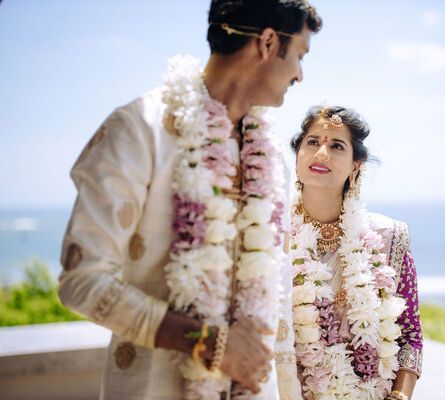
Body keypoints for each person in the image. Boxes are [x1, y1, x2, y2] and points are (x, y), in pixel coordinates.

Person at [58, 1, 322, 399]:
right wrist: (208, 343)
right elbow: (82, 282)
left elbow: (276, 308)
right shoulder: (139, 129)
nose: (300, 74)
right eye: (300, 54)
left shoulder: (273, 162)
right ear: (268, 43)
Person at [285, 106, 423, 399]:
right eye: (312, 142)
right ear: (297, 156)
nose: (322, 153)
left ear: (355, 165)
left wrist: (400, 396)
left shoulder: (389, 238)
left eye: (336, 145)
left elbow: (410, 335)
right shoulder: (272, 237)